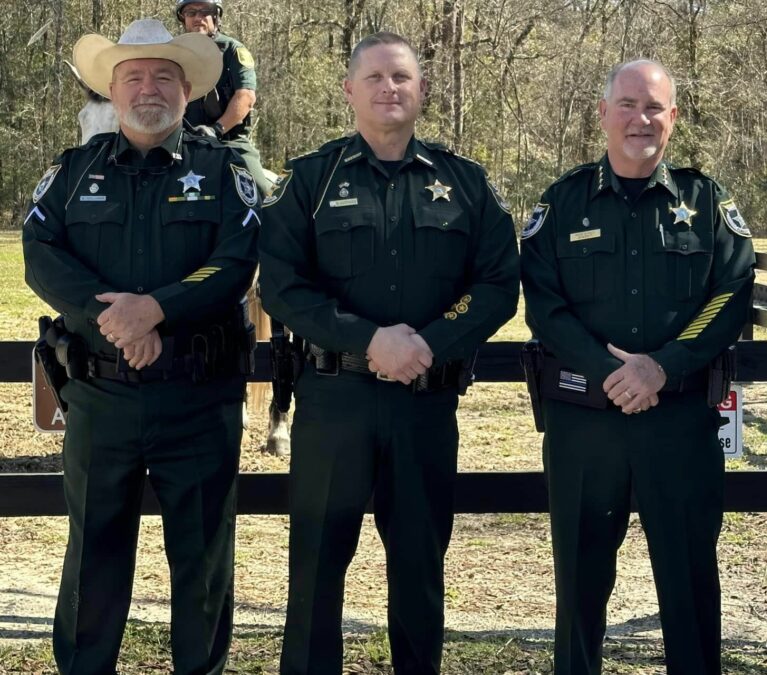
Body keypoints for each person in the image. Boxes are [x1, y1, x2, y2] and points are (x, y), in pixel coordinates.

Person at [258, 31, 519, 675]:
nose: (388, 88)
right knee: (316, 563)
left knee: (420, 565)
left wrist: (429, 342)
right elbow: (283, 287)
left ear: (421, 89)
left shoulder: (464, 183)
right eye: (374, 77)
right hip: (333, 400)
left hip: (424, 406)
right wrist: (367, 339)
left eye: (401, 77)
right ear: (350, 90)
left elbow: (496, 286)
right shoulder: (310, 181)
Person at [23, 18, 259, 675]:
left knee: (203, 560)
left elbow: (238, 258)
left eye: (163, 76)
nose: (148, 88)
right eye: (134, 76)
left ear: (187, 91)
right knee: (93, 552)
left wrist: (157, 308)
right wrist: (116, 326)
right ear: (113, 90)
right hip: (101, 399)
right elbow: (41, 258)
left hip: (200, 397)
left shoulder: (222, 170)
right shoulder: (73, 172)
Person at [520, 59, 755, 674]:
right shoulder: (562, 202)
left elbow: (730, 295)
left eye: (654, 107)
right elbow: (545, 305)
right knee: (578, 583)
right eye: (627, 104)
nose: (640, 118)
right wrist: (608, 369)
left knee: (689, 584)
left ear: (673, 118)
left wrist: (663, 367)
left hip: (677, 422)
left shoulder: (706, 202)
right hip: (583, 426)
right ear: (603, 114)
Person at [175, 0, 272, 194]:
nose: (198, 18)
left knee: (262, 191)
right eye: (191, 13)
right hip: (181, 142)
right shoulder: (174, 54)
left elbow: (245, 96)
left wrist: (216, 130)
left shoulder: (233, 50)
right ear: (183, 19)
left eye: (205, 12)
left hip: (229, 140)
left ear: (216, 16)